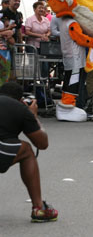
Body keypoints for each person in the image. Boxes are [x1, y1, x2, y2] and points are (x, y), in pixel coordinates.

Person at [0, 82, 57, 222]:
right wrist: (34, 117)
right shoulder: (20, 109)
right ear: (21, 100)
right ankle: (39, 208)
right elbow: (42, 144)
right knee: (26, 150)